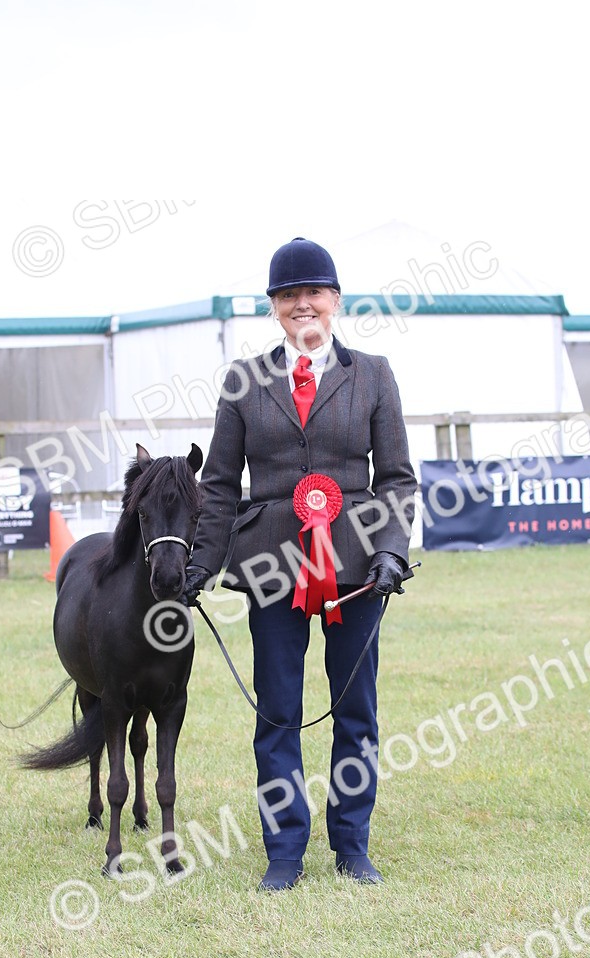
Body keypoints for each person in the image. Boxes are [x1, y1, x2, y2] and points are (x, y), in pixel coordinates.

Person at [183, 237, 417, 891]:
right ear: (275, 308)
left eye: (313, 292)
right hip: (271, 567)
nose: (302, 304)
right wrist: (201, 564)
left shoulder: (373, 374)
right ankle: (284, 851)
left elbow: (397, 479)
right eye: (289, 295)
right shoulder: (244, 382)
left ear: (335, 301)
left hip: (356, 571)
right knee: (278, 710)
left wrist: (393, 549)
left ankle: (352, 846)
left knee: (357, 714)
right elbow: (223, 484)